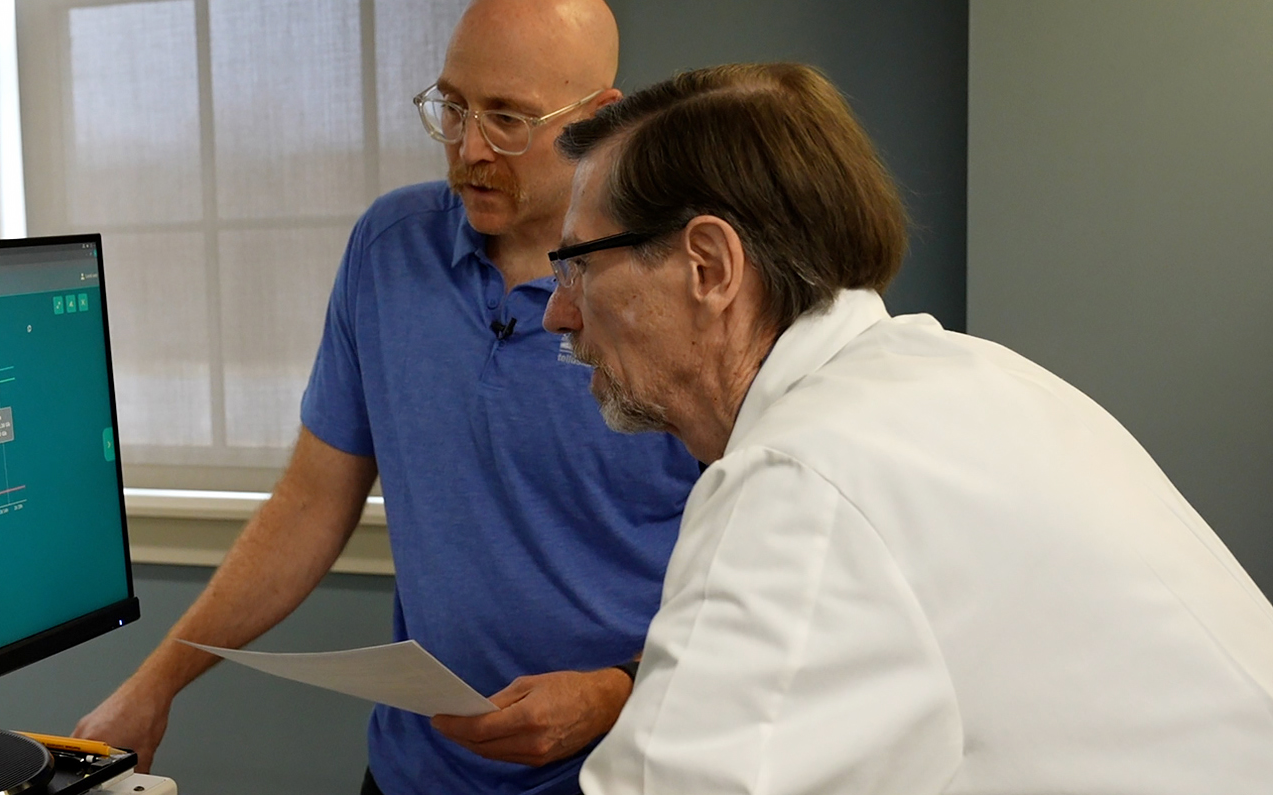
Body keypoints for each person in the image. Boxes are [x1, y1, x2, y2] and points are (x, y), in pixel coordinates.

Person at [540, 62, 1273, 794]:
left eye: (577, 266)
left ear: (709, 265)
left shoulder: (801, 479)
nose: (558, 314)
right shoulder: (967, 380)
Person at [72, 2, 703, 793]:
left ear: (601, 120)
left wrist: (618, 688)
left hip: (614, 772)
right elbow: (309, 504)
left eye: (508, 118)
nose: (470, 148)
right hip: (415, 774)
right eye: (453, 107)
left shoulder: (680, 291)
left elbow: (757, 584)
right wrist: (154, 682)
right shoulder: (388, 248)